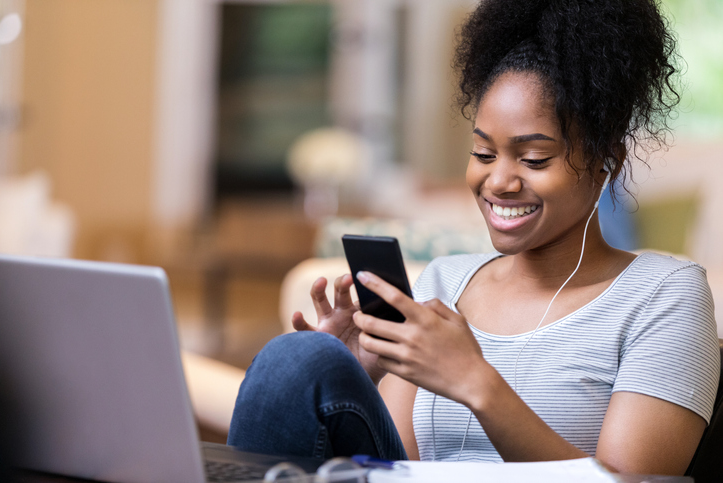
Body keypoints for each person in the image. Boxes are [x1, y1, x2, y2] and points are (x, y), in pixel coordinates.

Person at [227, 0, 720, 475]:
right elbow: (403, 468)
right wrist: (357, 374)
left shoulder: (665, 295)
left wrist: (475, 381)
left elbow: (630, 481)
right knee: (294, 360)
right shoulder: (445, 283)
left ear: (606, 160)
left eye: (533, 159)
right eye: (484, 155)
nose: (499, 182)